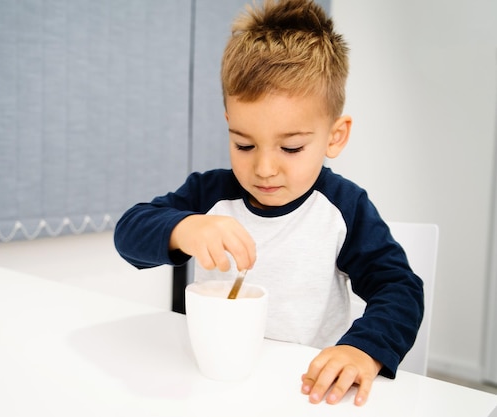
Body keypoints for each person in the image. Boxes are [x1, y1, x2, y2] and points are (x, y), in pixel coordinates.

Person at [114, 0, 423, 407]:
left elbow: (399, 288)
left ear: (335, 136)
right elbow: (128, 232)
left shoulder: (343, 208)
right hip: (212, 389)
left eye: (291, 147)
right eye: (244, 144)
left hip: (303, 393)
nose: (263, 169)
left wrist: (362, 350)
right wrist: (183, 228)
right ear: (228, 121)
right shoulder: (210, 195)